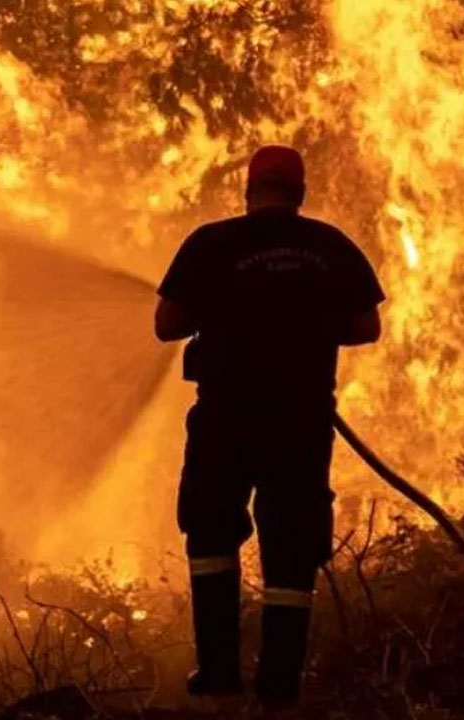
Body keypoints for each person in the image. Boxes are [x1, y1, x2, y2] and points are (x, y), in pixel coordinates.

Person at [154, 145, 385, 708]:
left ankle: (219, 677)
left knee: (210, 536)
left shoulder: (212, 243)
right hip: (300, 423)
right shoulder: (329, 247)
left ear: (249, 191)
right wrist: (305, 325)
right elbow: (365, 327)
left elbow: (167, 325)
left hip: (225, 419)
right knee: (291, 552)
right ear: (300, 193)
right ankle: (279, 691)